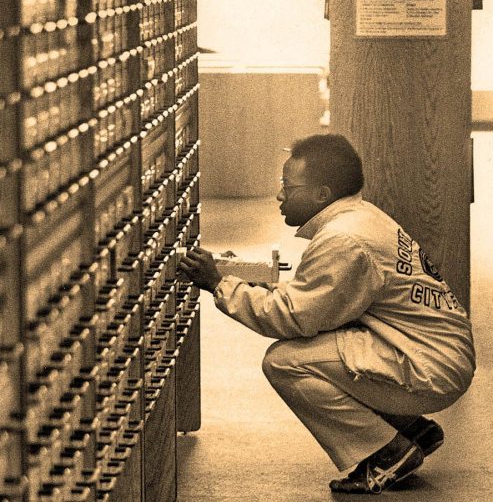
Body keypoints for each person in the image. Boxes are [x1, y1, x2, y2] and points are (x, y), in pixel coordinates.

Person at [178, 134, 475, 494]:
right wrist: (240, 276)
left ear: (322, 194)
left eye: (288, 186)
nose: (280, 195)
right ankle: (411, 428)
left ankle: (388, 452)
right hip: (431, 354)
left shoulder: (343, 240)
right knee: (317, 349)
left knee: (286, 362)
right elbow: (320, 304)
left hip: (428, 367)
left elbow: (291, 318)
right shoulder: (359, 218)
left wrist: (219, 285)